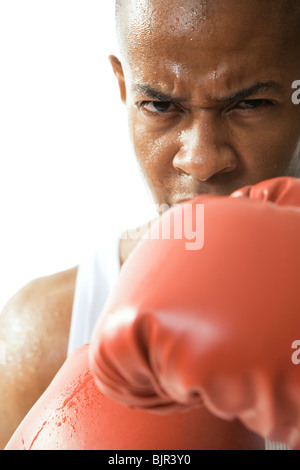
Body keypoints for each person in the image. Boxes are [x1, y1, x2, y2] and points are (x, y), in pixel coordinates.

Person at [0, 0, 299, 449]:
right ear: (124, 85)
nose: (199, 160)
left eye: (250, 103)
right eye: (159, 104)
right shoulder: (44, 335)